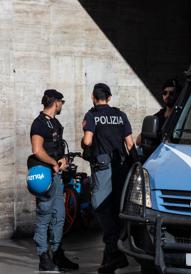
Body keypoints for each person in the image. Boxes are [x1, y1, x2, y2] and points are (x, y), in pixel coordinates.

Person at [81, 83, 136, 274]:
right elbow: (130, 144)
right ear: (109, 98)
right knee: (116, 210)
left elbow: (87, 141)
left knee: (101, 208)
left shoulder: (92, 115)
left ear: (93, 97)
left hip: (103, 168)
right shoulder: (120, 115)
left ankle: (115, 254)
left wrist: (84, 142)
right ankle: (109, 261)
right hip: (121, 168)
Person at [28, 89, 79, 272]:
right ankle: (43, 257)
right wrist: (53, 163)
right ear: (56, 102)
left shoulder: (54, 123)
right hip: (45, 176)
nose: (62, 105)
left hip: (56, 176)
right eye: (62, 102)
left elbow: (56, 149)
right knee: (44, 217)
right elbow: (37, 150)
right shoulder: (39, 123)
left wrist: (62, 160)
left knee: (59, 216)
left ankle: (56, 253)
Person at [136, 78, 182, 145]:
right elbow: (138, 140)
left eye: (171, 93)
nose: (167, 96)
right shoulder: (157, 117)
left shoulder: (184, 116)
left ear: (178, 95)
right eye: (165, 93)